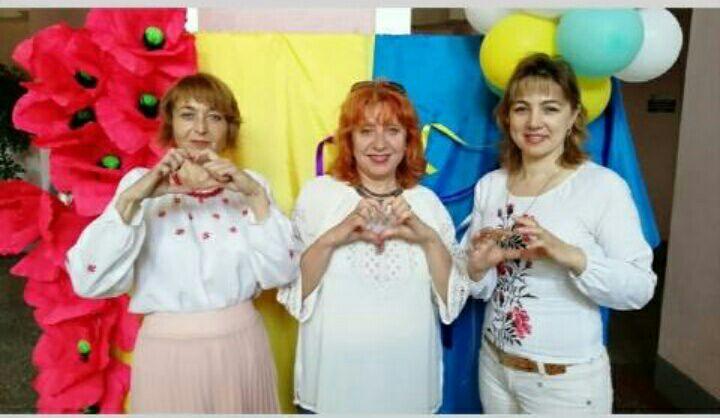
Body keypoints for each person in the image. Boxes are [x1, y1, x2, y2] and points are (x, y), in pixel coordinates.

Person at [67, 73, 293, 413]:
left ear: (229, 127)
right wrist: (131, 200)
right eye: (188, 114)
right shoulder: (138, 185)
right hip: (167, 355)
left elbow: (283, 272)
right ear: (170, 122)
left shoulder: (251, 186)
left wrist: (256, 197)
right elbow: (88, 281)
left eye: (214, 117)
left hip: (242, 348)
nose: (200, 128)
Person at [464, 53, 657, 413]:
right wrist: (476, 267)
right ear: (506, 117)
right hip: (494, 367)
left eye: (550, 108)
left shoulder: (602, 187)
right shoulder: (490, 185)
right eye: (521, 108)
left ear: (573, 116)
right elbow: (481, 288)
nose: (534, 122)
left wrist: (568, 254)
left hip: (564, 382)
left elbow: (639, 289)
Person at [277, 80, 471, 413]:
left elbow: (451, 300)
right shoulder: (319, 196)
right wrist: (333, 237)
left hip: (407, 379)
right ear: (349, 139)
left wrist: (428, 238)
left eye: (392, 131)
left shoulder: (426, 203)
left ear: (408, 140)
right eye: (366, 131)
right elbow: (295, 292)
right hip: (335, 380)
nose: (379, 144)